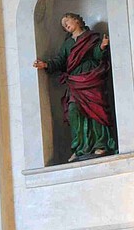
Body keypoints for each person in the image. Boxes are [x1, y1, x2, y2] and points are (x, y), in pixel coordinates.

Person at [33, 12, 117, 161]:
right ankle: (79, 148)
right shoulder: (67, 43)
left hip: (91, 77)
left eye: (67, 22)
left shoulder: (91, 37)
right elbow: (60, 60)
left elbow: (97, 56)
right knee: (73, 110)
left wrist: (102, 47)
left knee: (96, 110)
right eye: (64, 26)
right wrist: (46, 64)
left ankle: (100, 144)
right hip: (75, 81)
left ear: (77, 20)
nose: (66, 26)